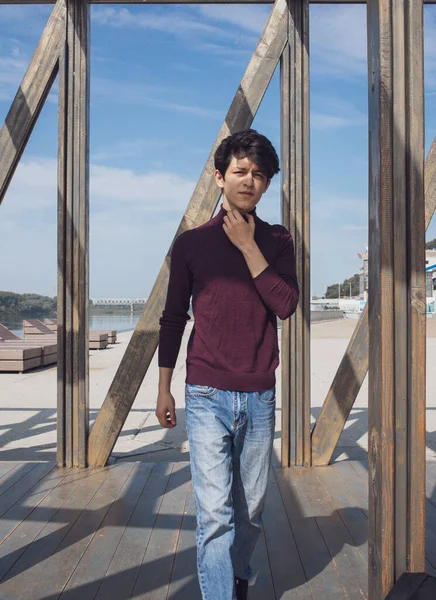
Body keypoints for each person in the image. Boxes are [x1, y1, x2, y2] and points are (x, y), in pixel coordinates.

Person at [156, 129, 299, 600]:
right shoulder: (192, 244)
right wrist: (163, 388)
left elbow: (286, 305)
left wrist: (248, 247)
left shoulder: (278, 241)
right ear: (220, 177)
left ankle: (237, 576)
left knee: (251, 509)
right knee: (215, 514)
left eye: (259, 175)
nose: (248, 181)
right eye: (239, 171)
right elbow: (174, 317)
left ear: (266, 184)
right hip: (205, 394)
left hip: (259, 394)